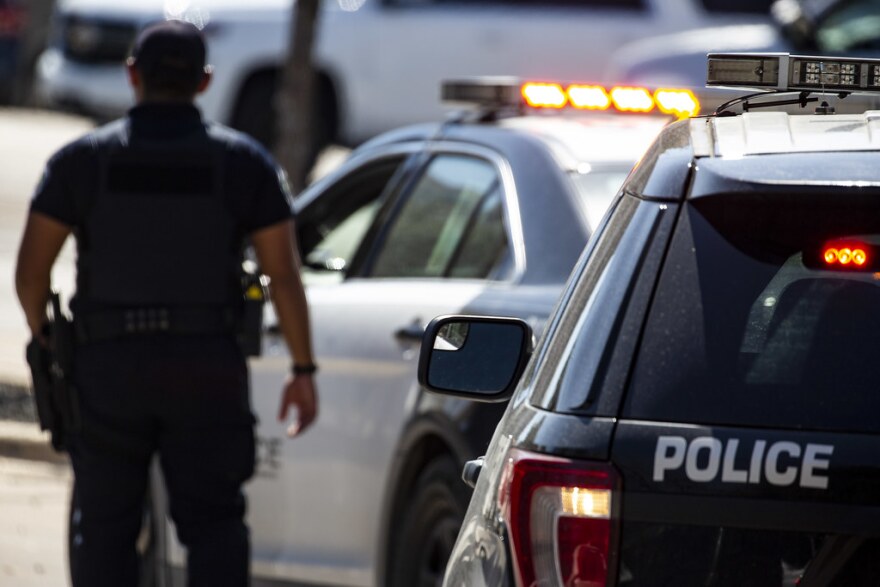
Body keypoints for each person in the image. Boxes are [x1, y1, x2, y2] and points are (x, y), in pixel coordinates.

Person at [14, 20, 318, 587]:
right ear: (204, 82)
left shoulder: (81, 162)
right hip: (207, 369)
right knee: (215, 527)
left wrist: (48, 340)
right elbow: (283, 272)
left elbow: (31, 273)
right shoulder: (245, 163)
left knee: (104, 528)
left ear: (132, 75)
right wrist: (303, 368)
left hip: (107, 371)